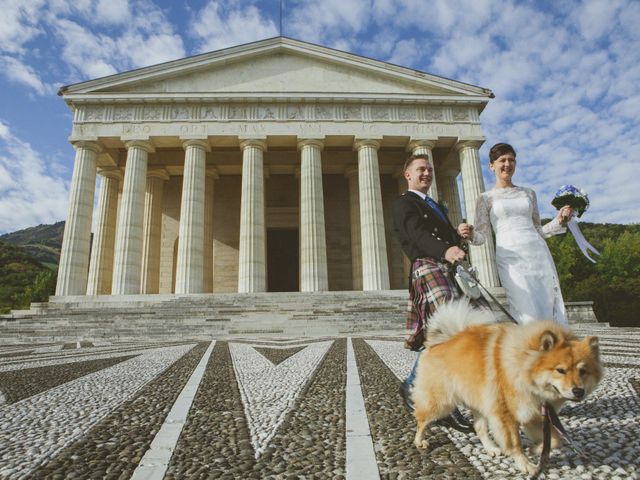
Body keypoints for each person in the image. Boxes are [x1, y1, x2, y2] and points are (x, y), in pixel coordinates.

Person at [392, 153, 480, 433]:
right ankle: (423, 390)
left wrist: (458, 235)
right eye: (421, 169)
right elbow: (417, 235)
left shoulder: (434, 205)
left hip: (444, 268)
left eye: (430, 169)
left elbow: (442, 238)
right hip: (427, 267)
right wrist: (445, 248)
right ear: (408, 174)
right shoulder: (405, 203)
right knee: (450, 332)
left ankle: (431, 395)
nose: (427, 173)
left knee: (453, 335)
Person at [470, 143, 572, 325]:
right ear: (492, 165)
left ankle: (553, 349)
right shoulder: (485, 198)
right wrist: (469, 233)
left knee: (548, 304)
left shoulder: (529, 193)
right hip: (510, 257)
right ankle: (530, 349)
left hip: (538, 253)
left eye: (511, 160)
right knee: (525, 309)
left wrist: (559, 220)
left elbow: (539, 230)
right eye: (502, 160)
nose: (507, 164)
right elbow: (480, 237)